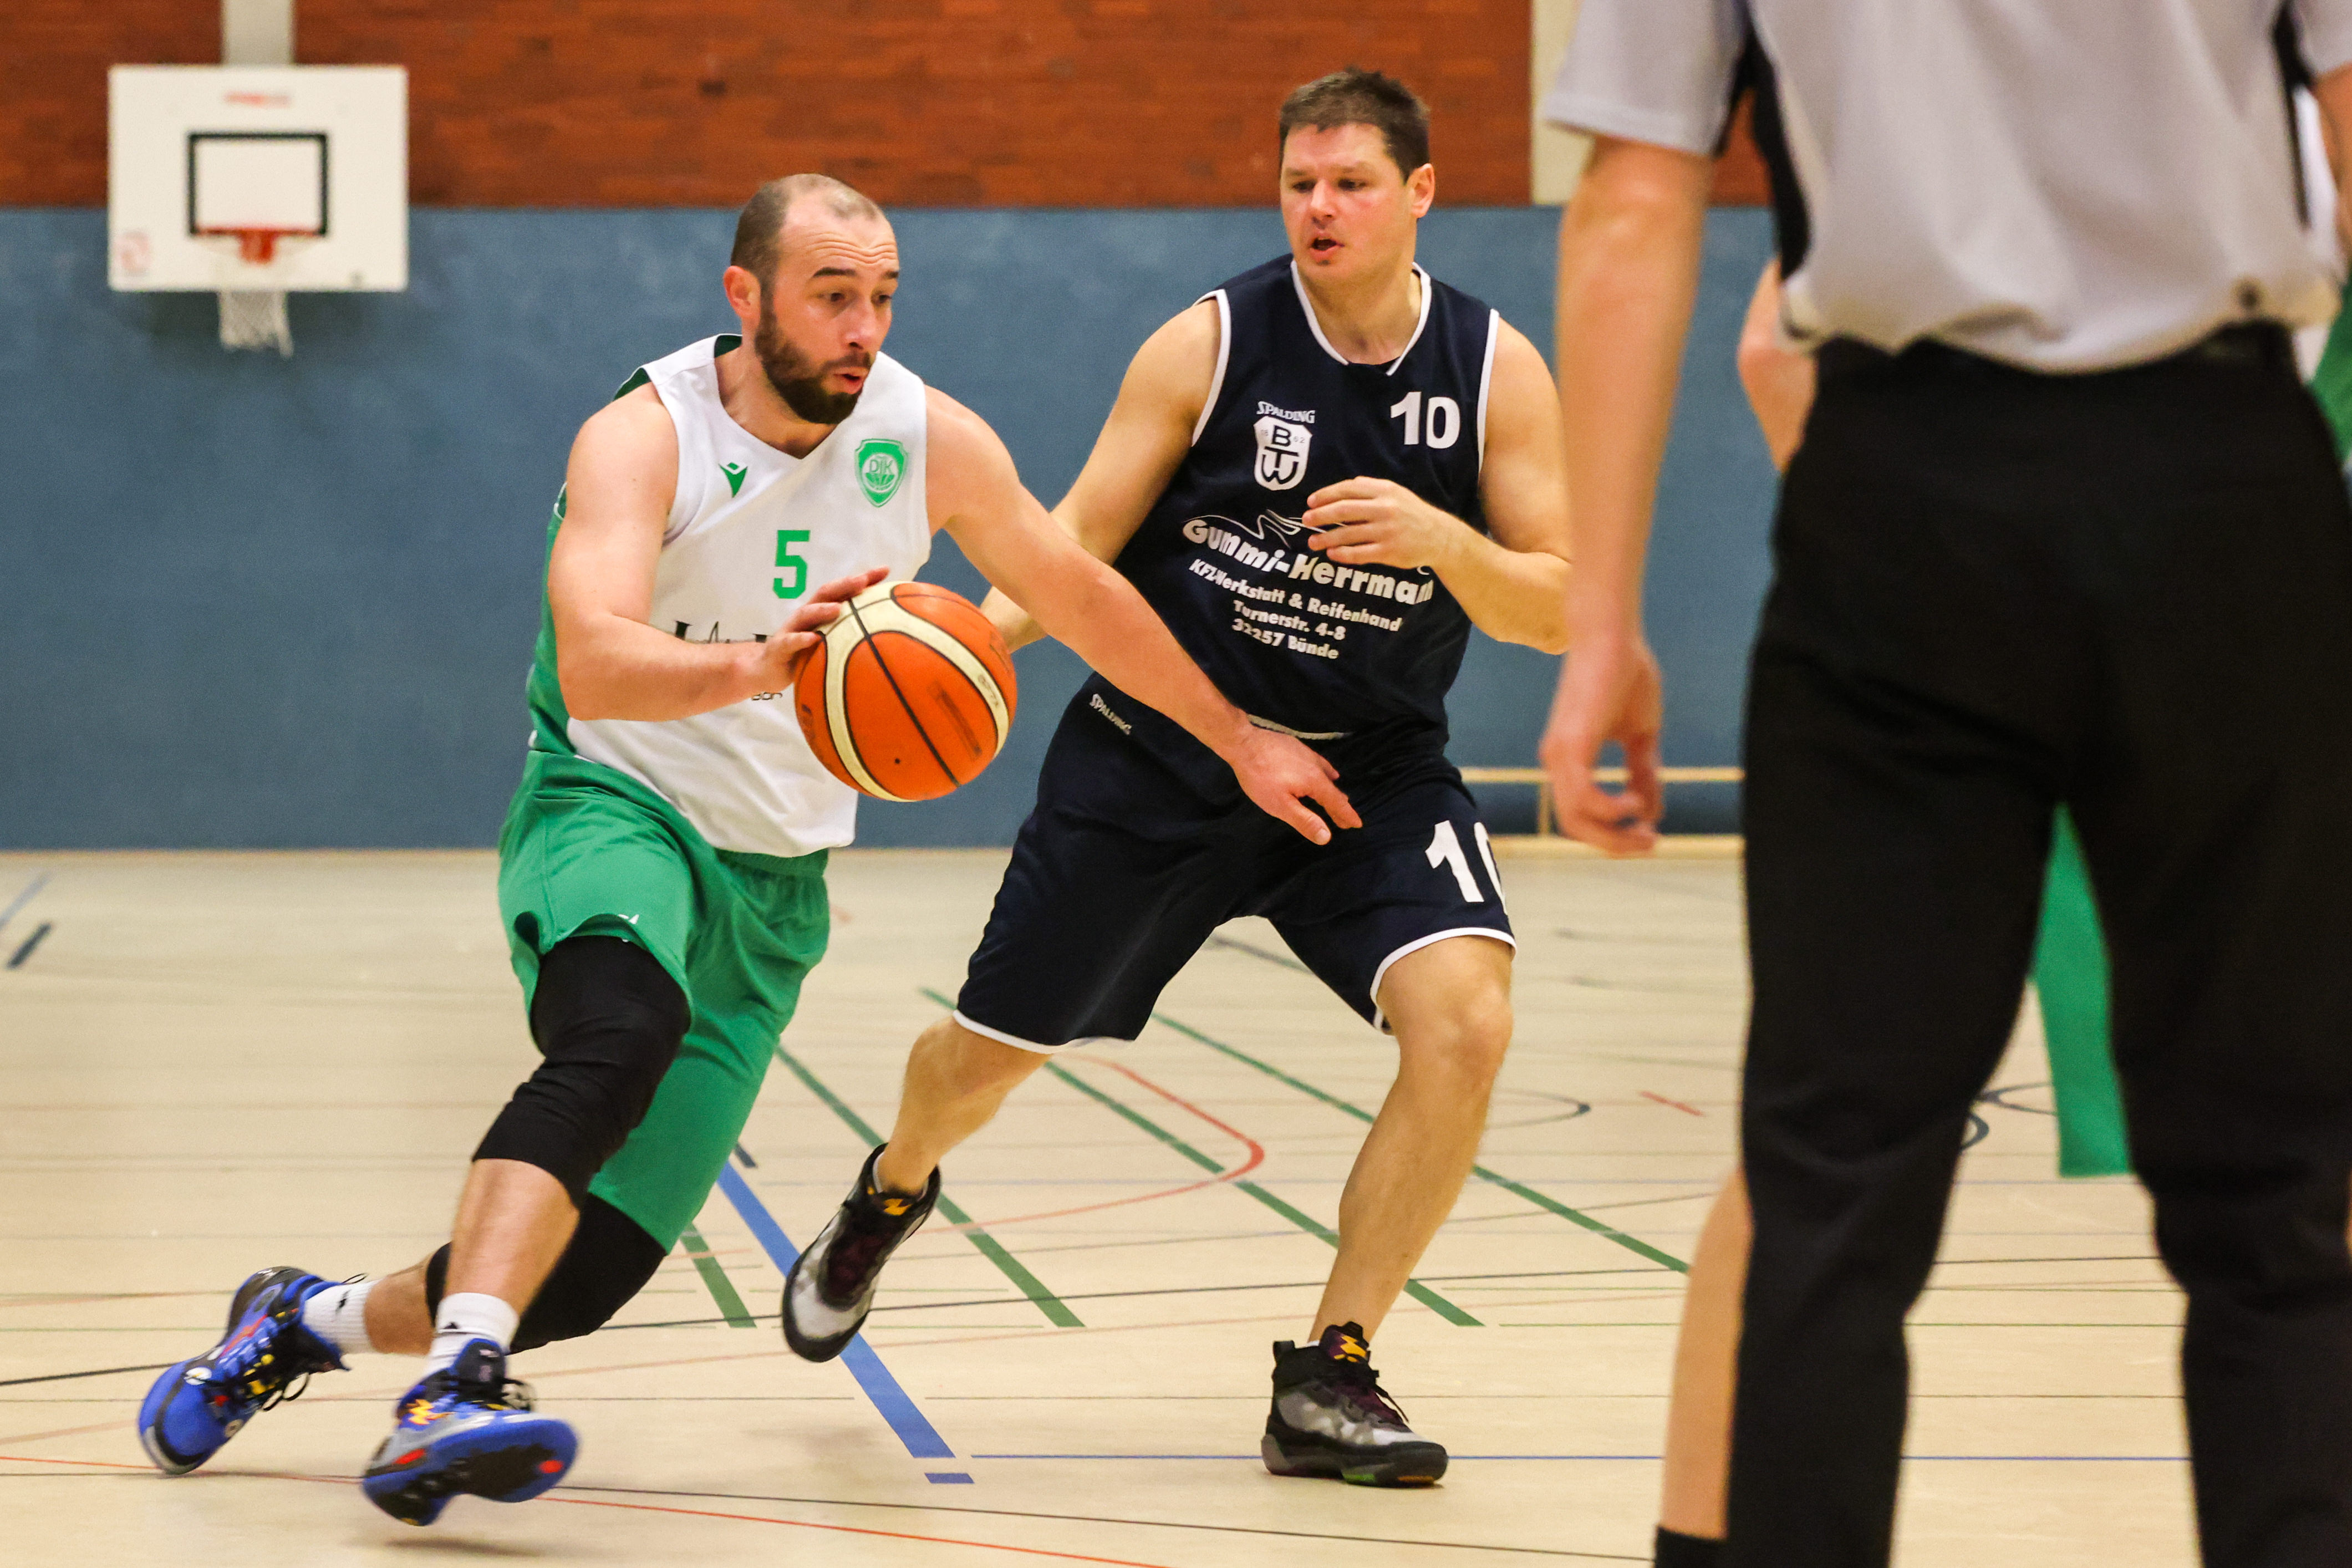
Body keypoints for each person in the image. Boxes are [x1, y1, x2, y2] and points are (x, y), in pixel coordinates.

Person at [134, 172, 1350, 1527]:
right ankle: (457, 1385)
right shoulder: (643, 435)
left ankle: (302, 1321)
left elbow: (1081, 593)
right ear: (745, 295)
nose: (863, 327)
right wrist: (757, 668)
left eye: (882, 297)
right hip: (616, 805)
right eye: (832, 296)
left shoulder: (929, 435)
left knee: (591, 1271)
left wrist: (1238, 737)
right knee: (620, 1030)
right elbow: (592, 661)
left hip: (774, 881)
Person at [1541, 7, 2352, 1565]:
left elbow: (1633, 199)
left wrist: (1601, 624)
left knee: (1833, 1188)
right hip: (2224, 491)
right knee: (2275, 1201)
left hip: (1908, 500)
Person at [778, 67, 1574, 1488]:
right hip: (1163, 754)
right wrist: (964, 642)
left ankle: (1330, 1372)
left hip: (1367, 774)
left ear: (1420, 193)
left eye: (1350, 183)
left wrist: (1445, 543)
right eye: (1299, 183)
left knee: (1467, 1022)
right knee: (983, 1060)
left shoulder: (1494, 370)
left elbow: (1558, 606)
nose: (1319, 207)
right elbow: (1076, 537)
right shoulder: (1209, 345)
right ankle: (890, 1191)